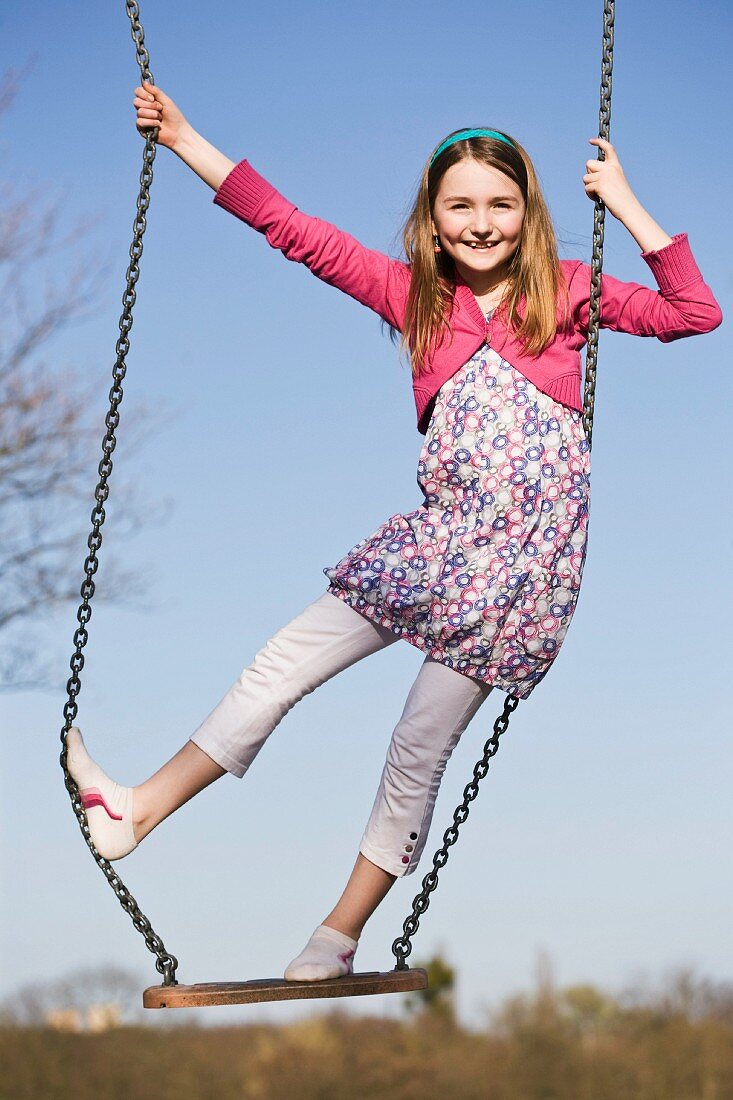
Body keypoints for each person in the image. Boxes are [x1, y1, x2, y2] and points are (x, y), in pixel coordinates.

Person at [66, 82, 723, 984]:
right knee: (280, 663)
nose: (481, 222)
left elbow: (693, 312)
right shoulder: (410, 296)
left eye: (500, 204)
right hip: (435, 545)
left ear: (528, 213)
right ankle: (136, 810)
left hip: (518, 574)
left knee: (414, 754)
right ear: (433, 215)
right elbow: (292, 229)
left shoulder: (567, 295)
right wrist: (184, 139)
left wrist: (625, 205)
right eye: (461, 205)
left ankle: (334, 939)